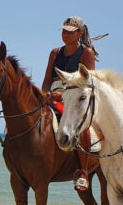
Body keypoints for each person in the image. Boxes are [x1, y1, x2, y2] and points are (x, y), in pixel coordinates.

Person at [42, 16, 102, 191]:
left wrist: (62, 96)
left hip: (76, 97)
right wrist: (45, 94)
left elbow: (86, 84)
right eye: (63, 31)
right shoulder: (55, 52)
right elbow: (47, 79)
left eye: (70, 32)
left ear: (80, 33)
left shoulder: (86, 53)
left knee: (79, 124)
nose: (65, 35)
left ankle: (83, 171)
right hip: (53, 93)